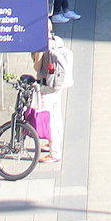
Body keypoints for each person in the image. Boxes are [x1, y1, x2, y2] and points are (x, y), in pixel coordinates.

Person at [31, 23, 68, 162]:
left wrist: (36, 55)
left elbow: (37, 67)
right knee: (57, 114)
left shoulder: (42, 44)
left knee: (49, 117)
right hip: (58, 83)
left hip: (47, 86)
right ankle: (54, 143)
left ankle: (54, 152)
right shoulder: (57, 40)